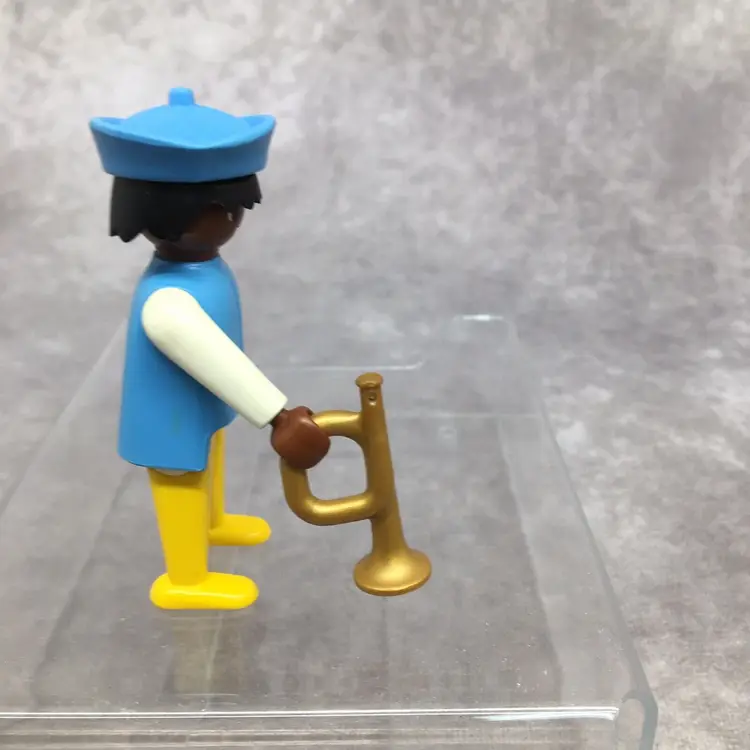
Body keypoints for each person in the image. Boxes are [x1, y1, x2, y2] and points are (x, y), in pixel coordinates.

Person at [90, 87, 330, 610]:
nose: (231, 220)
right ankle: (186, 578)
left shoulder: (204, 273)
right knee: (182, 478)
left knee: (211, 455)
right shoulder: (167, 301)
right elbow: (214, 360)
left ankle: (214, 523)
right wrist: (278, 416)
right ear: (155, 214)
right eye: (218, 209)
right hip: (171, 417)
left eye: (236, 207)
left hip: (198, 405)